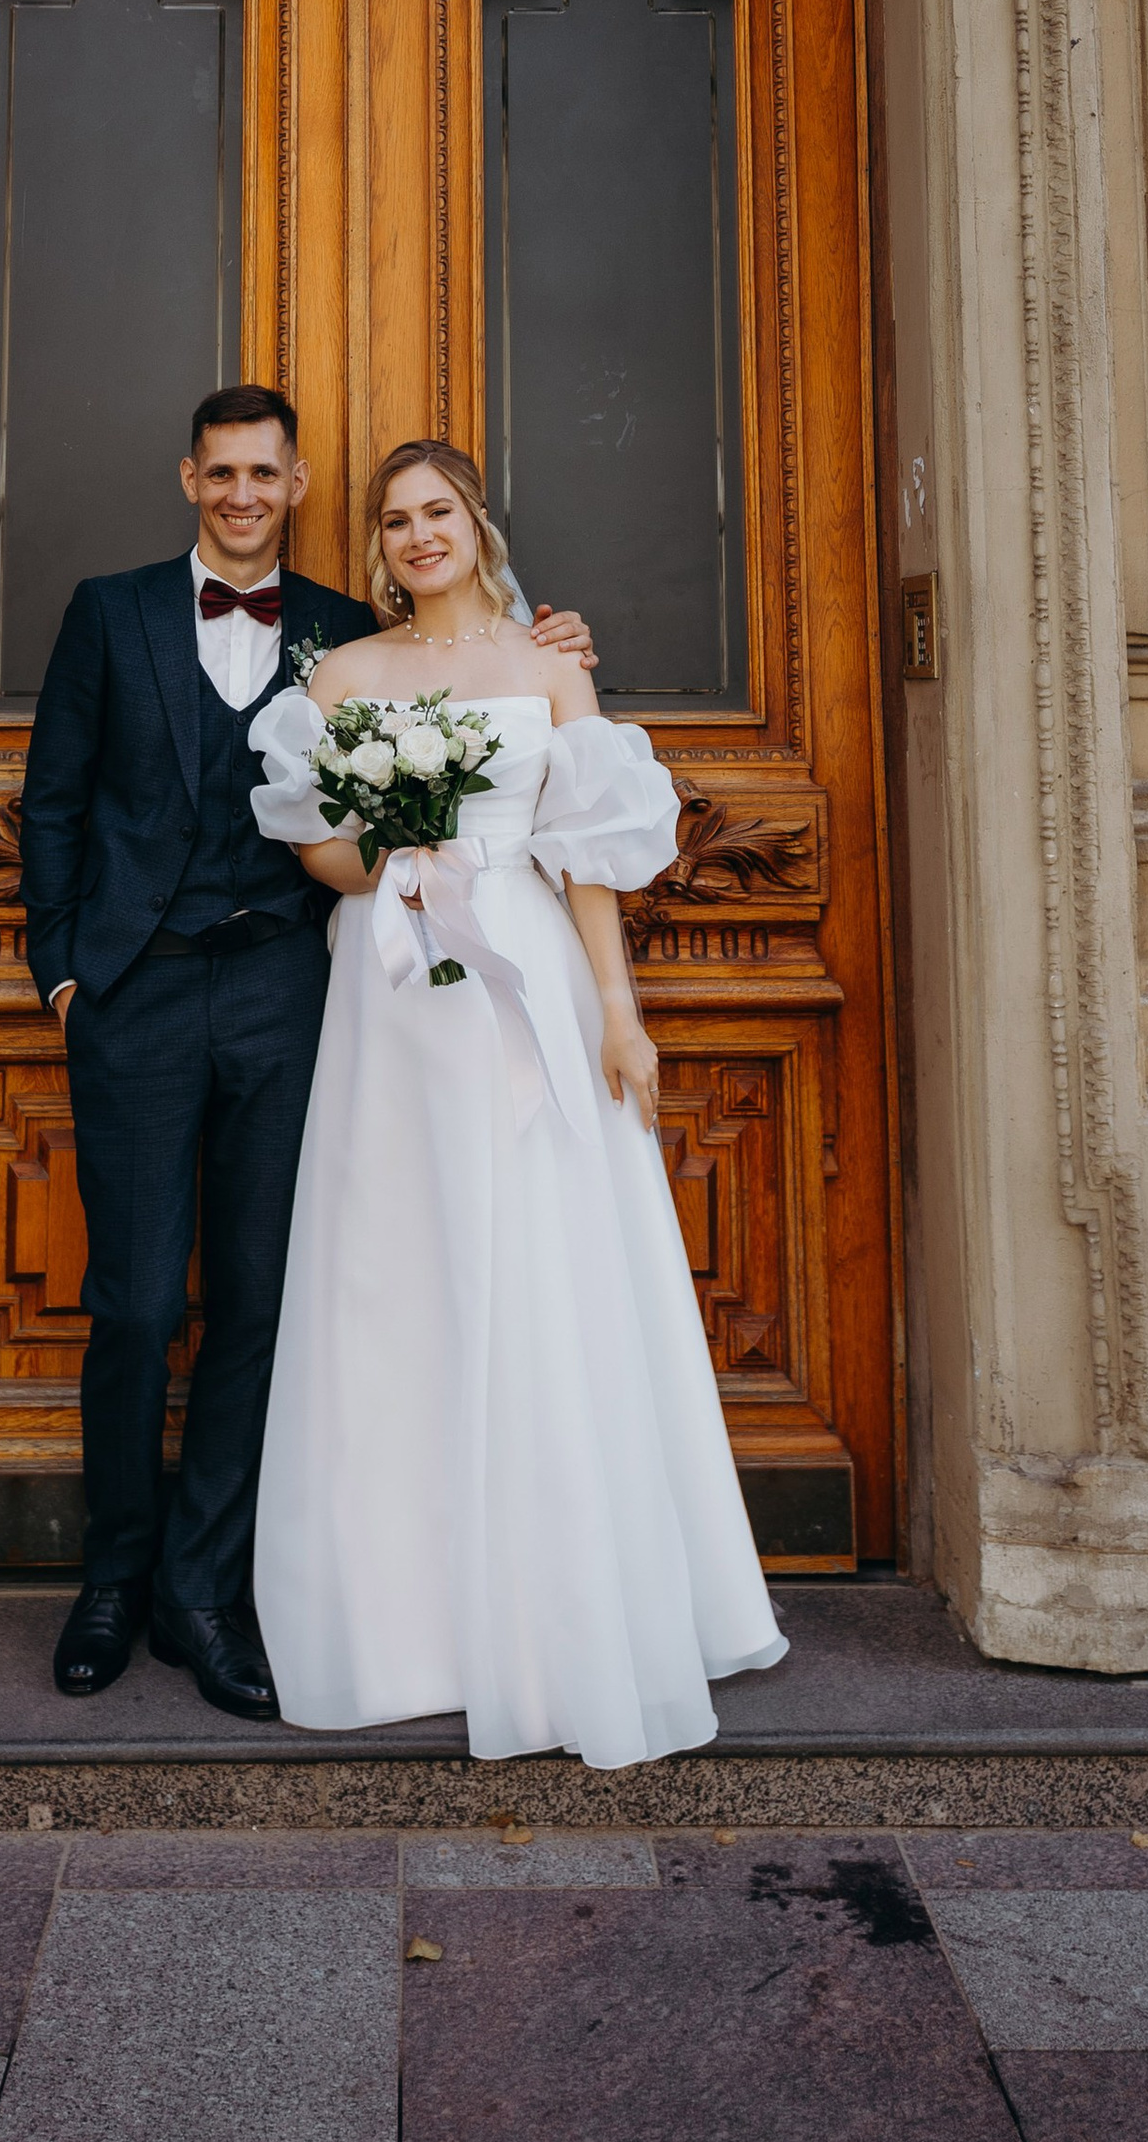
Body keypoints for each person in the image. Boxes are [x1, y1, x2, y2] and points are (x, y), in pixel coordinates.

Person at [17, 387, 595, 1718]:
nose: (240, 493)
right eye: (220, 473)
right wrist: (60, 972)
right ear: (189, 479)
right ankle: (112, 1575)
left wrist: (558, 635)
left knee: (262, 1302)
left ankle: (203, 1593)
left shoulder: (345, 630)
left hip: (295, 995)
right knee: (140, 1302)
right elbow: (52, 797)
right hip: (135, 995)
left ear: (298, 482)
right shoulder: (110, 612)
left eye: (263, 474)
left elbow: (479, 670)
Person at [248, 439, 786, 1767]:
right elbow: (312, 845)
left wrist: (619, 1010)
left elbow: (588, 855)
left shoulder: (552, 664)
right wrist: (393, 848)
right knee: (395, 1277)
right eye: (396, 520)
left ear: (477, 523)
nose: (418, 534)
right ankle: (403, 1625)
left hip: (522, 983)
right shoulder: (344, 675)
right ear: (377, 547)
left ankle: (560, 1613)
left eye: (438, 512)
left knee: (539, 1269)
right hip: (393, 989)